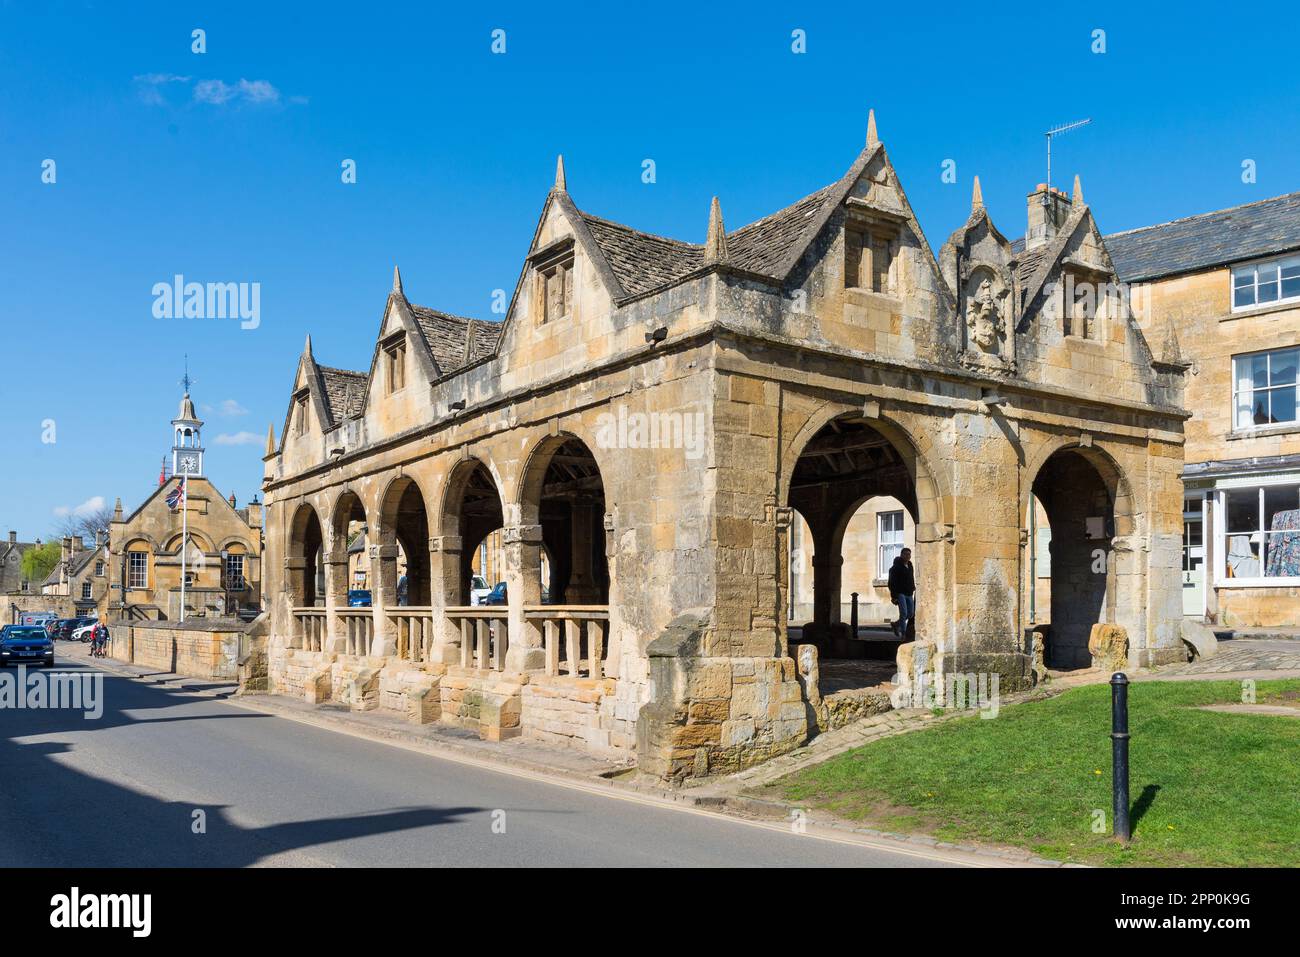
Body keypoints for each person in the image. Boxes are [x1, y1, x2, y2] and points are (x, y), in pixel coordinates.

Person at [887, 548, 915, 639]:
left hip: (909, 592)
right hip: (900, 593)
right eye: (906, 554)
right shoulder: (895, 567)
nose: (908, 556)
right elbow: (891, 583)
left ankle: (896, 624)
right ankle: (903, 634)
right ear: (902, 555)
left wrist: (913, 587)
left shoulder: (910, 565)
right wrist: (894, 596)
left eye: (909, 554)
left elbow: (911, 578)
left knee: (910, 613)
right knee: (903, 613)